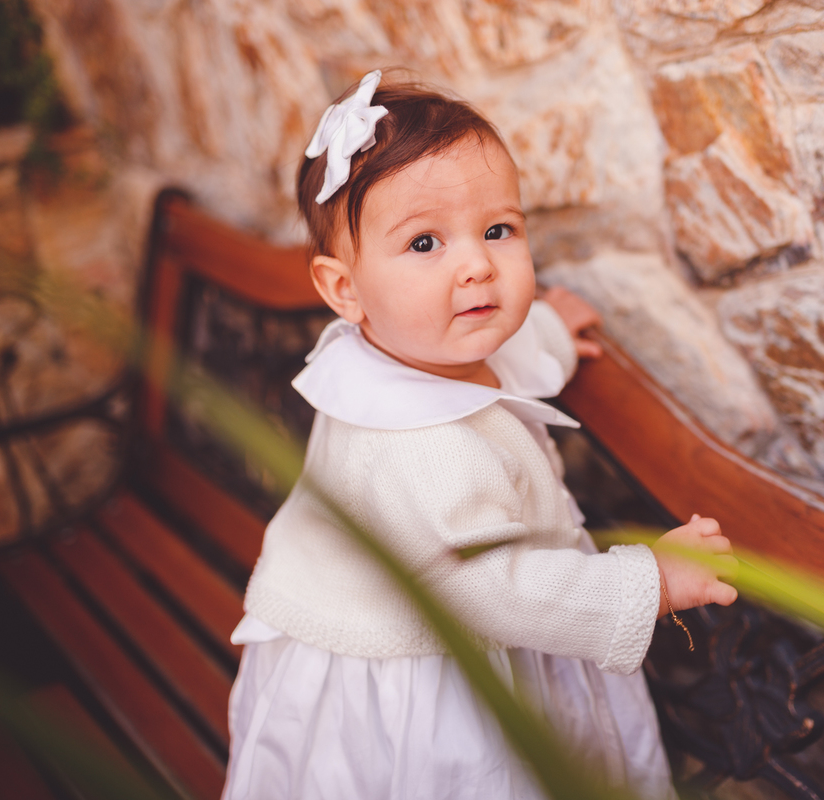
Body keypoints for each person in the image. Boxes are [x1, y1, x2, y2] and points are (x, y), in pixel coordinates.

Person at [221, 70, 738, 800]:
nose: (477, 266)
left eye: (499, 231)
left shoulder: (409, 346)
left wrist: (552, 324)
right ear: (345, 289)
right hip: (427, 685)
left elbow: (510, 351)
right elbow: (495, 588)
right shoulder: (420, 447)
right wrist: (648, 580)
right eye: (425, 242)